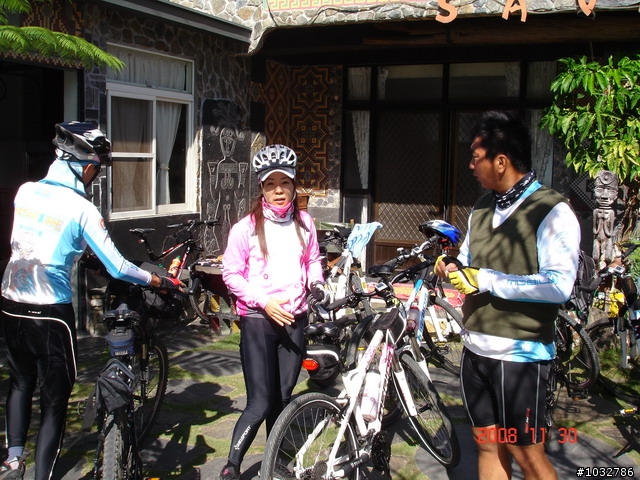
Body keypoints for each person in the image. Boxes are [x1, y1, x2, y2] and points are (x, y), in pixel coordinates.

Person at [0, 121, 181, 480]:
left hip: (10, 302)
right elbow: (118, 267)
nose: (95, 177)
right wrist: (159, 280)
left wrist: (79, 253)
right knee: (54, 399)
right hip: (50, 312)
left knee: (20, 381)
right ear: (85, 167)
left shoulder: (25, 192)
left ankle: (13, 461)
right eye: (96, 170)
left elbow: (42, 238)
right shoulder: (82, 208)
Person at [435, 110, 580, 480]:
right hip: (475, 349)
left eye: (475, 157)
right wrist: (452, 266)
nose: (471, 166)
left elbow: (559, 285)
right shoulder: (482, 207)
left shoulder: (552, 210)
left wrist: (488, 279)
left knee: (527, 454)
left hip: (520, 355)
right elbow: (469, 260)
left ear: (501, 161)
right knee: (487, 444)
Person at [219, 144, 326, 480]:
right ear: (261, 189)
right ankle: (232, 466)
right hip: (258, 321)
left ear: (294, 185)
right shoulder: (245, 228)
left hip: (294, 320)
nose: (279, 190)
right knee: (260, 402)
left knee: (282, 397)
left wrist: (317, 284)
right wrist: (263, 301)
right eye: (270, 184)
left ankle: (273, 460)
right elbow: (230, 274)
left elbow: (313, 260)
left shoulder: (305, 223)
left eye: (285, 183)